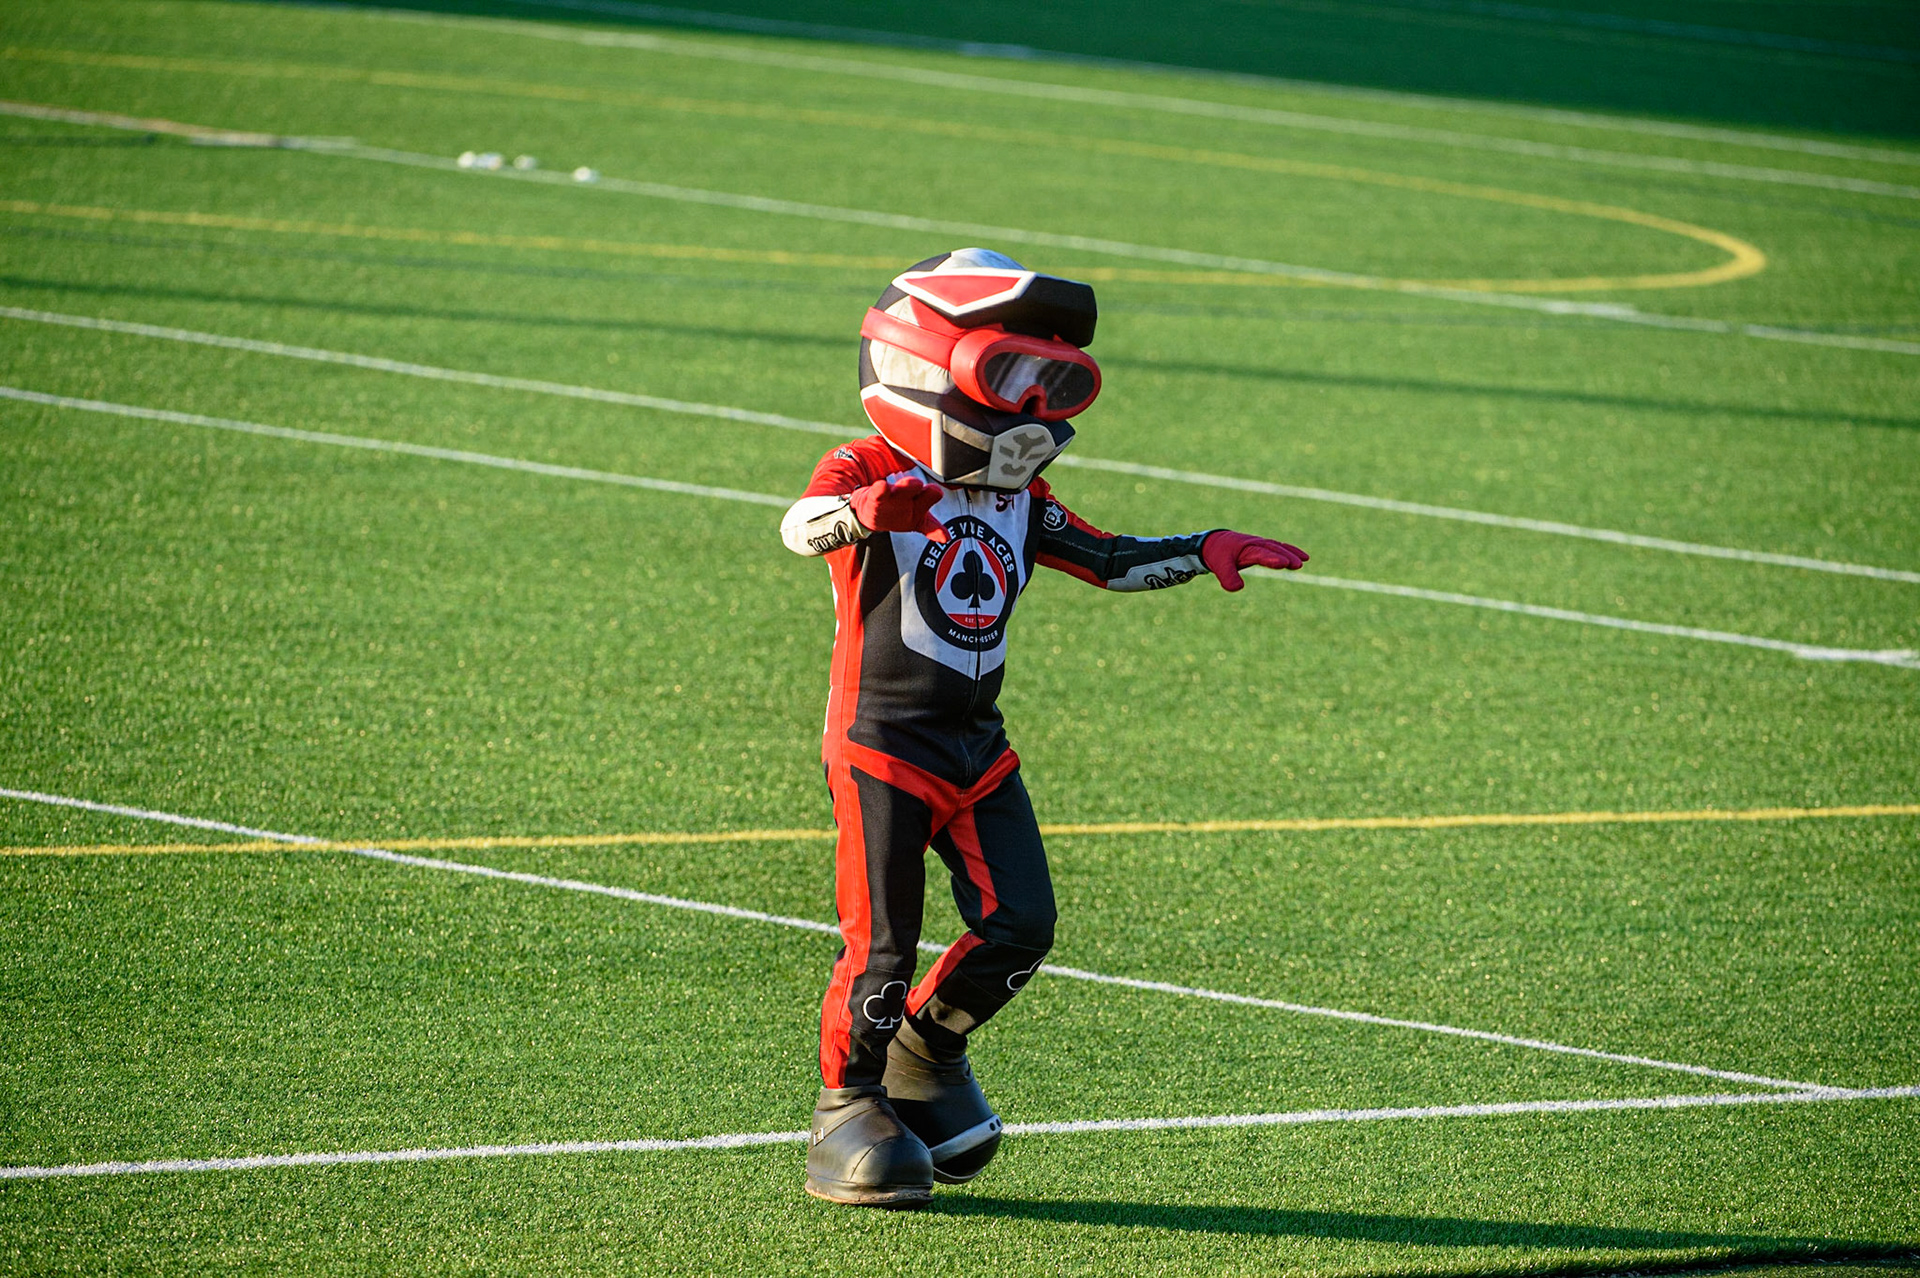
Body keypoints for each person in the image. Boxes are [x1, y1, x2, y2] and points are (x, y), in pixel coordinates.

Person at [779, 248, 1308, 1208]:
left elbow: (1104, 558)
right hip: (883, 747)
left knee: (1023, 925)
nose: (1032, 409)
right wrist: (864, 512)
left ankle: (925, 1055)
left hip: (978, 745)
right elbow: (799, 524)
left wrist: (1204, 550)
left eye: (1050, 384)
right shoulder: (872, 465)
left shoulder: (1018, 494)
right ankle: (845, 1106)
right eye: (1010, 378)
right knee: (882, 948)